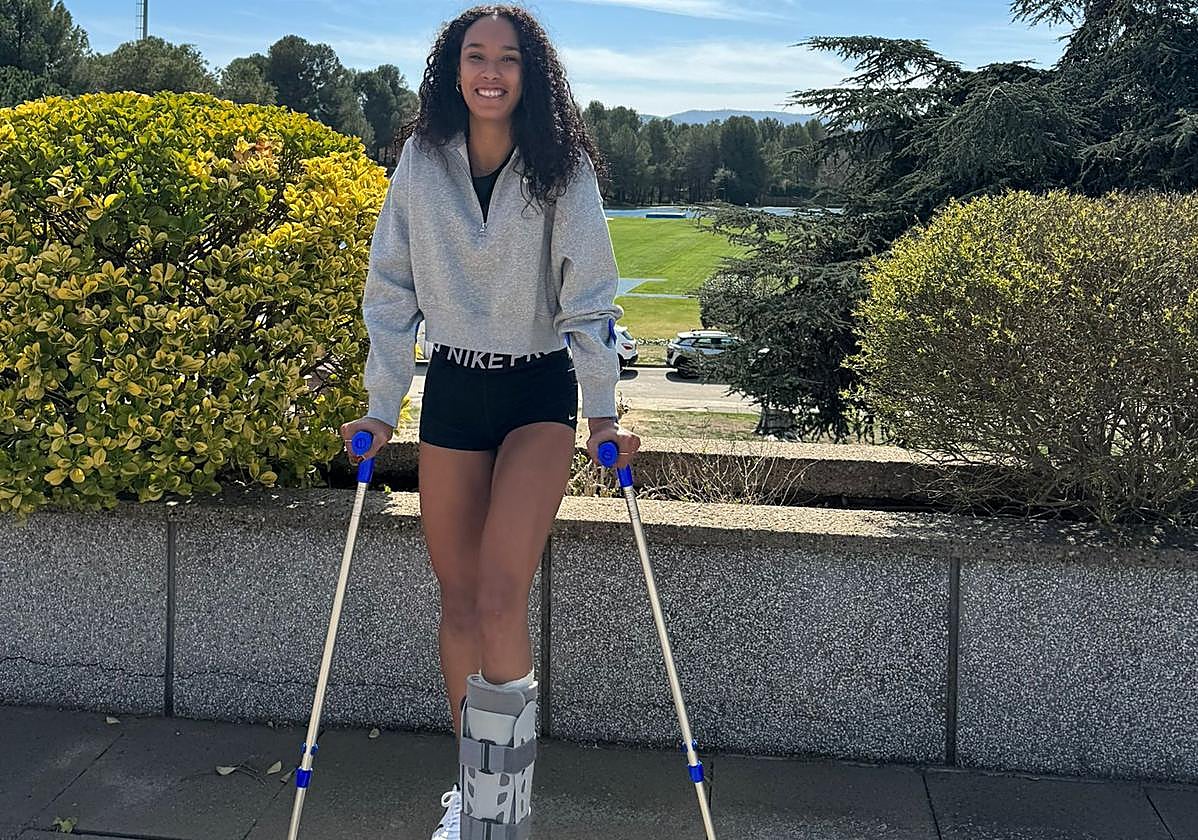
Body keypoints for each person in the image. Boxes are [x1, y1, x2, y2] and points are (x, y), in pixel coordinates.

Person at [338, 5, 641, 839]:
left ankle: (505, 816)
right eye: (476, 56)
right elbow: (391, 289)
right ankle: (472, 799)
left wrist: (604, 411)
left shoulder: (562, 167)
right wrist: (380, 402)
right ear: (453, 69)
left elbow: (590, 301)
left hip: (538, 394)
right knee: (462, 603)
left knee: (504, 595)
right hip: (455, 392)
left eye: (508, 59)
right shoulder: (421, 161)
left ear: (530, 75)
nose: (492, 72)